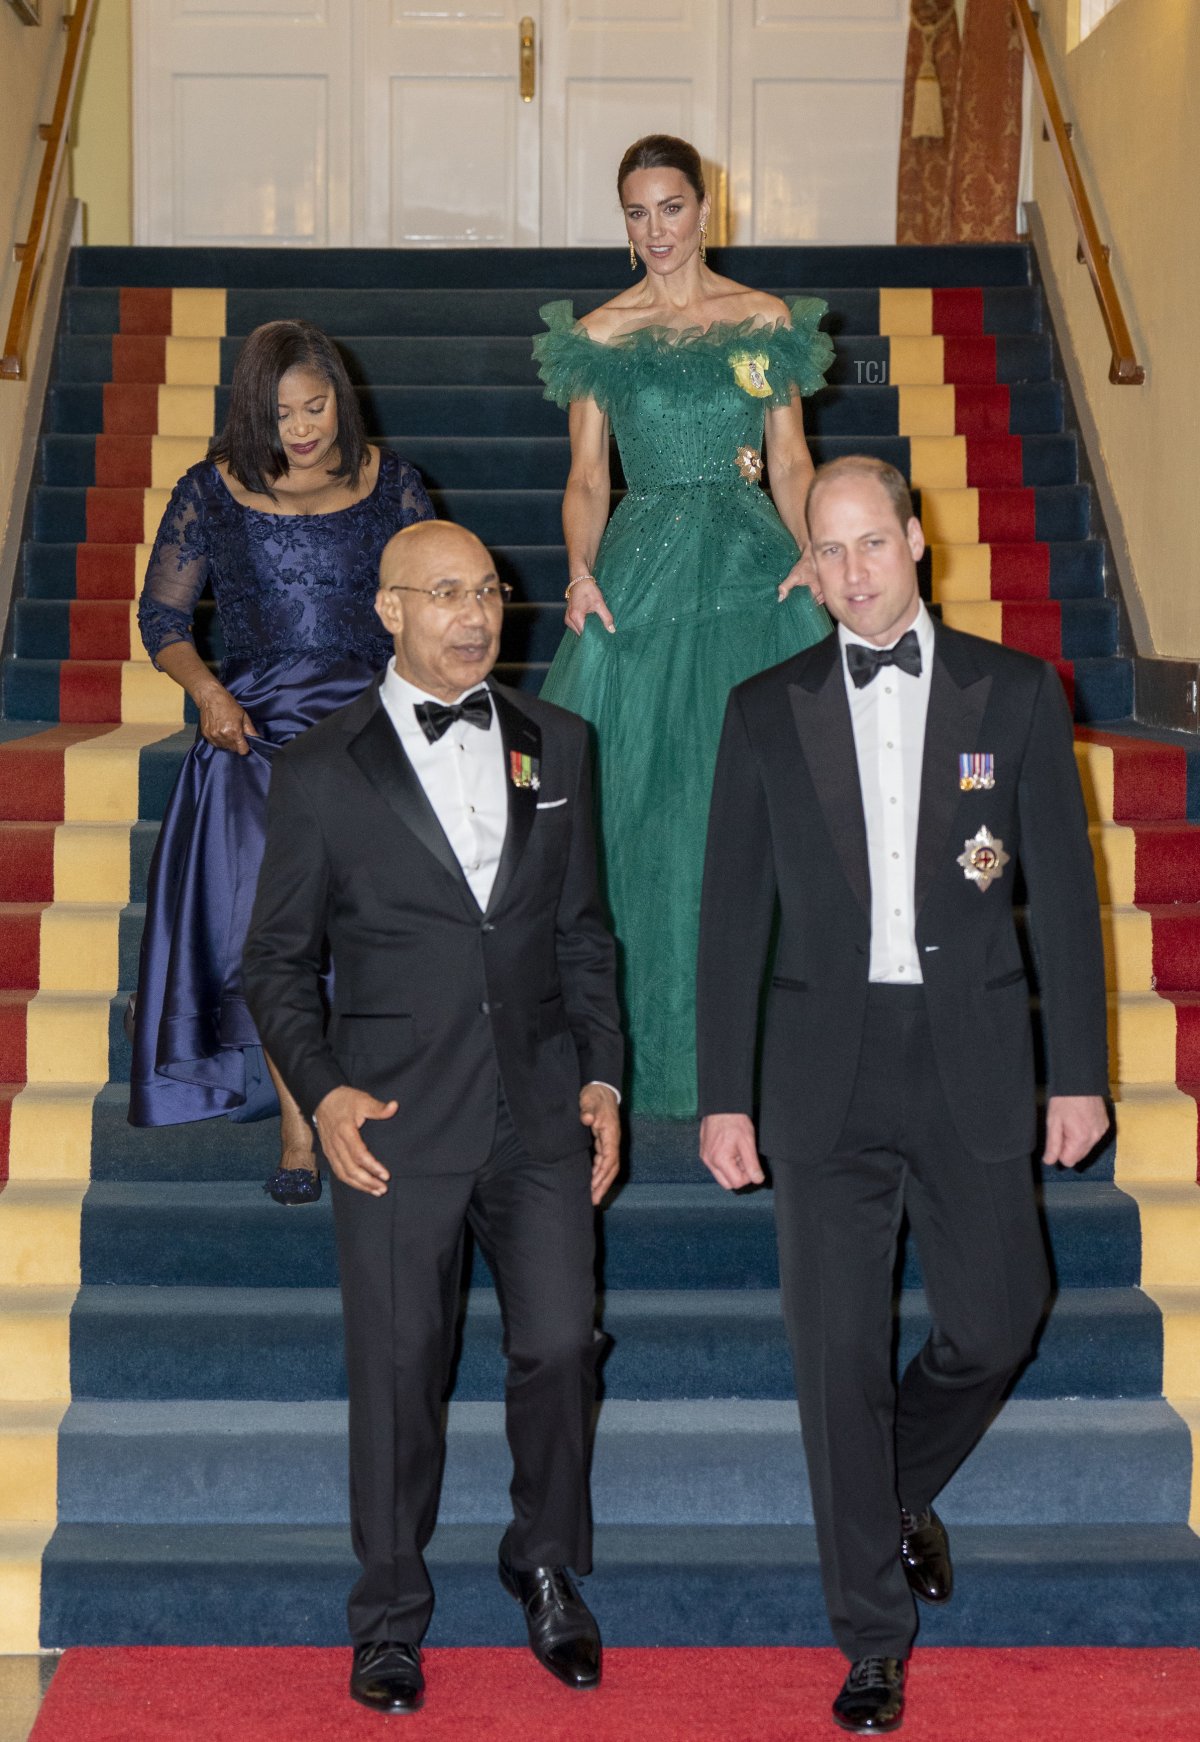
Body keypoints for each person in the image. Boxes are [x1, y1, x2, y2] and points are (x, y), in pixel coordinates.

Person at [696, 456, 1110, 1734]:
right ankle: (871, 1634)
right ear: (807, 567)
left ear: (917, 541)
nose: (854, 571)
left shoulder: (1017, 690)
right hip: (821, 1068)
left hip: (972, 1053)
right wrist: (723, 1093)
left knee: (1000, 1316)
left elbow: (1067, 903)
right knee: (834, 1358)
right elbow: (727, 919)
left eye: (873, 542)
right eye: (831, 552)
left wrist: (1081, 1071)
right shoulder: (766, 706)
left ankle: (890, 1493)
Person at [242, 519, 623, 1716]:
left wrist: (603, 1076)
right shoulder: (318, 767)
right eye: (448, 592)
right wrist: (323, 1087)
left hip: (541, 1104)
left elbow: (583, 934)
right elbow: (273, 961)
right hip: (394, 1116)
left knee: (561, 1345)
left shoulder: (560, 740)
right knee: (399, 1369)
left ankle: (545, 1560)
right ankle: (390, 1611)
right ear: (389, 610)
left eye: (491, 590)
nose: (478, 612)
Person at [532, 132, 834, 1118]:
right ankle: (635, 1054)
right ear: (622, 223)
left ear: (707, 210)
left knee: (760, 799)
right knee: (640, 813)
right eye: (636, 211)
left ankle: (773, 1049)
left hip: (751, 568)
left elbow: (788, 461)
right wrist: (580, 567)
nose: (655, 229)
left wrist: (813, 550)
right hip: (644, 568)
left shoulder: (761, 323)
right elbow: (587, 480)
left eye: (671, 206)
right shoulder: (602, 336)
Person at [128, 319, 434, 1204]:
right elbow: (164, 622)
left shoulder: (394, 484)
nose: (302, 427)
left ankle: (373, 1087)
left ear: (341, 395)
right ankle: (302, 1127)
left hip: (366, 726)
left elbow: (429, 604)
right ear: (251, 411)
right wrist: (210, 696)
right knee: (272, 921)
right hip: (250, 735)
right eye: (281, 411)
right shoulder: (211, 489)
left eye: (315, 405)